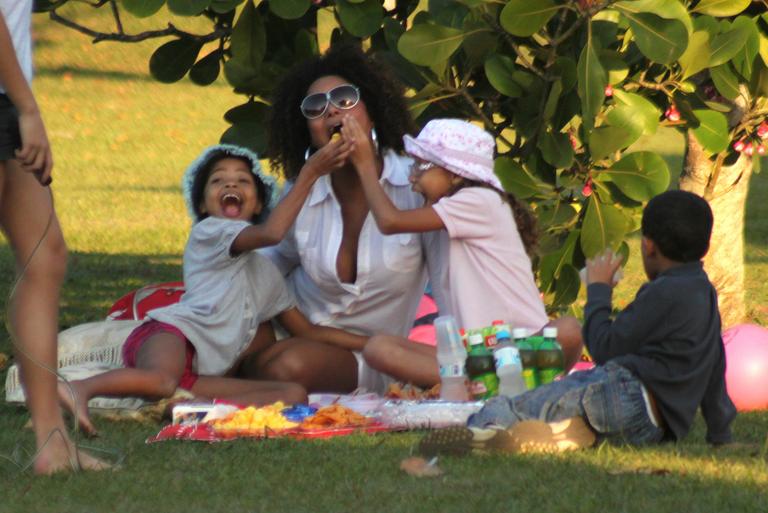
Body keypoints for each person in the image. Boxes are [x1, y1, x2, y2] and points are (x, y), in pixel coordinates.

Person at [59, 144, 367, 435]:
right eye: (218, 180)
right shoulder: (211, 232)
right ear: (204, 206)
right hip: (171, 335)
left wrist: (370, 343)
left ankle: (184, 411)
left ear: (260, 203)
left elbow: (308, 332)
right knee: (162, 380)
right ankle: (79, 389)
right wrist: (310, 173)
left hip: (199, 375)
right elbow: (273, 233)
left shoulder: (266, 275)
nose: (231, 186)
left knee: (293, 395)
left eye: (243, 181)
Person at [419, 190, 737, 455]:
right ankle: (567, 434)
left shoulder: (663, 293)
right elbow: (715, 365)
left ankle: (486, 428)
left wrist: (598, 290)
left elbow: (604, 348)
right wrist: (720, 432)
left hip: (625, 395)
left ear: (648, 245)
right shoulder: (704, 293)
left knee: (530, 401)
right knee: (574, 408)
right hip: (654, 428)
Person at [251, 43, 446, 393]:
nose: (331, 112)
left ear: (371, 110)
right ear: (307, 128)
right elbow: (270, 261)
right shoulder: (303, 187)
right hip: (292, 328)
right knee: (241, 343)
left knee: (285, 366)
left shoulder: (413, 185)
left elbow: (451, 278)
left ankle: (230, 384)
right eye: (315, 107)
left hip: (370, 355)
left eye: (345, 99)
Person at [344, 118, 582, 388]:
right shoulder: (436, 215)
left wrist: (364, 165)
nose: (412, 176)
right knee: (379, 348)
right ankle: (491, 384)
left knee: (569, 330)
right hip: (471, 356)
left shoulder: (481, 201)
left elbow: (390, 221)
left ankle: (488, 383)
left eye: (422, 166)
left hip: (523, 346)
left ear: (456, 173)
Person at [0, 0, 110, 474]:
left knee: (46, 257)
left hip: (6, 97)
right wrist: (28, 108)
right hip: (11, 100)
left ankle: (53, 443)